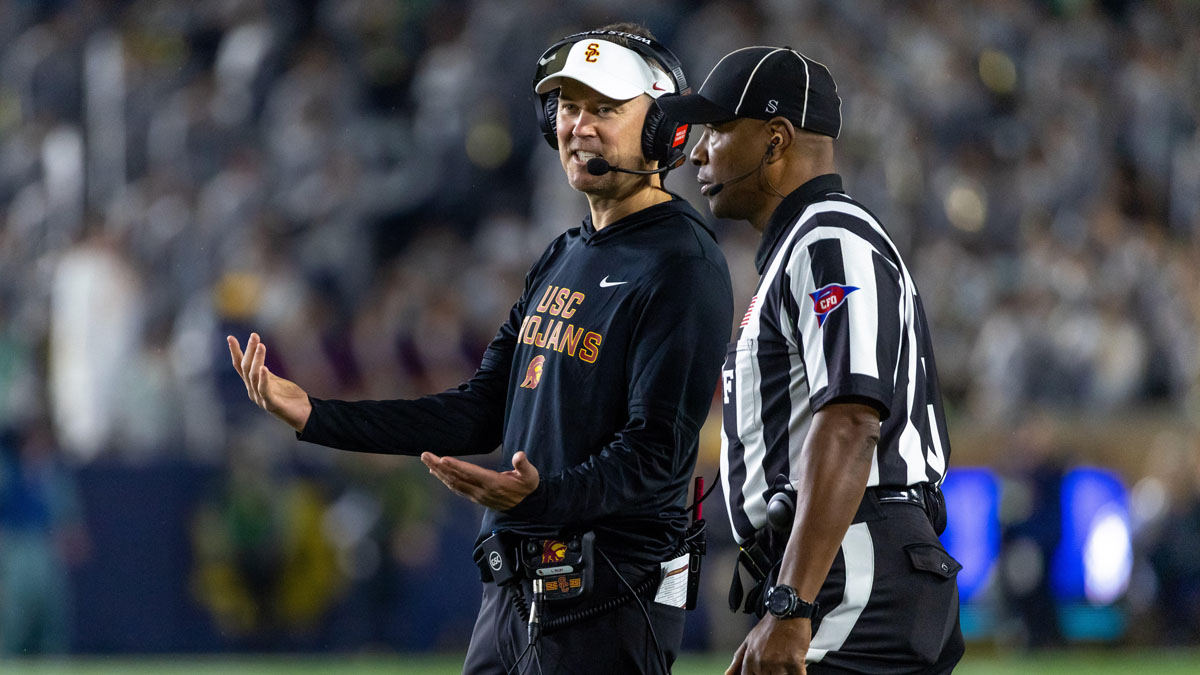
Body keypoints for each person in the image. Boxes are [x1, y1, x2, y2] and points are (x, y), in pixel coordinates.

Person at [227, 23, 733, 675]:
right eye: (568, 107)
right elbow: (478, 410)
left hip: (610, 598)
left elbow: (655, 454)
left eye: (605, 108)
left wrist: (538, 496)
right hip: (513, 597)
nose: (578, 126)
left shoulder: (683, 263)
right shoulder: (563, 253)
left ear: (666, 128)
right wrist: (318, 415)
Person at [658, 47, 964, 674]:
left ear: (775, 140)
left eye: (717, 130)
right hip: (838, 562)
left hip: (854, 563)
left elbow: (852, 420)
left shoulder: (830, 238)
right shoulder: (803, 245)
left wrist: (792, 602)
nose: (696, 153)